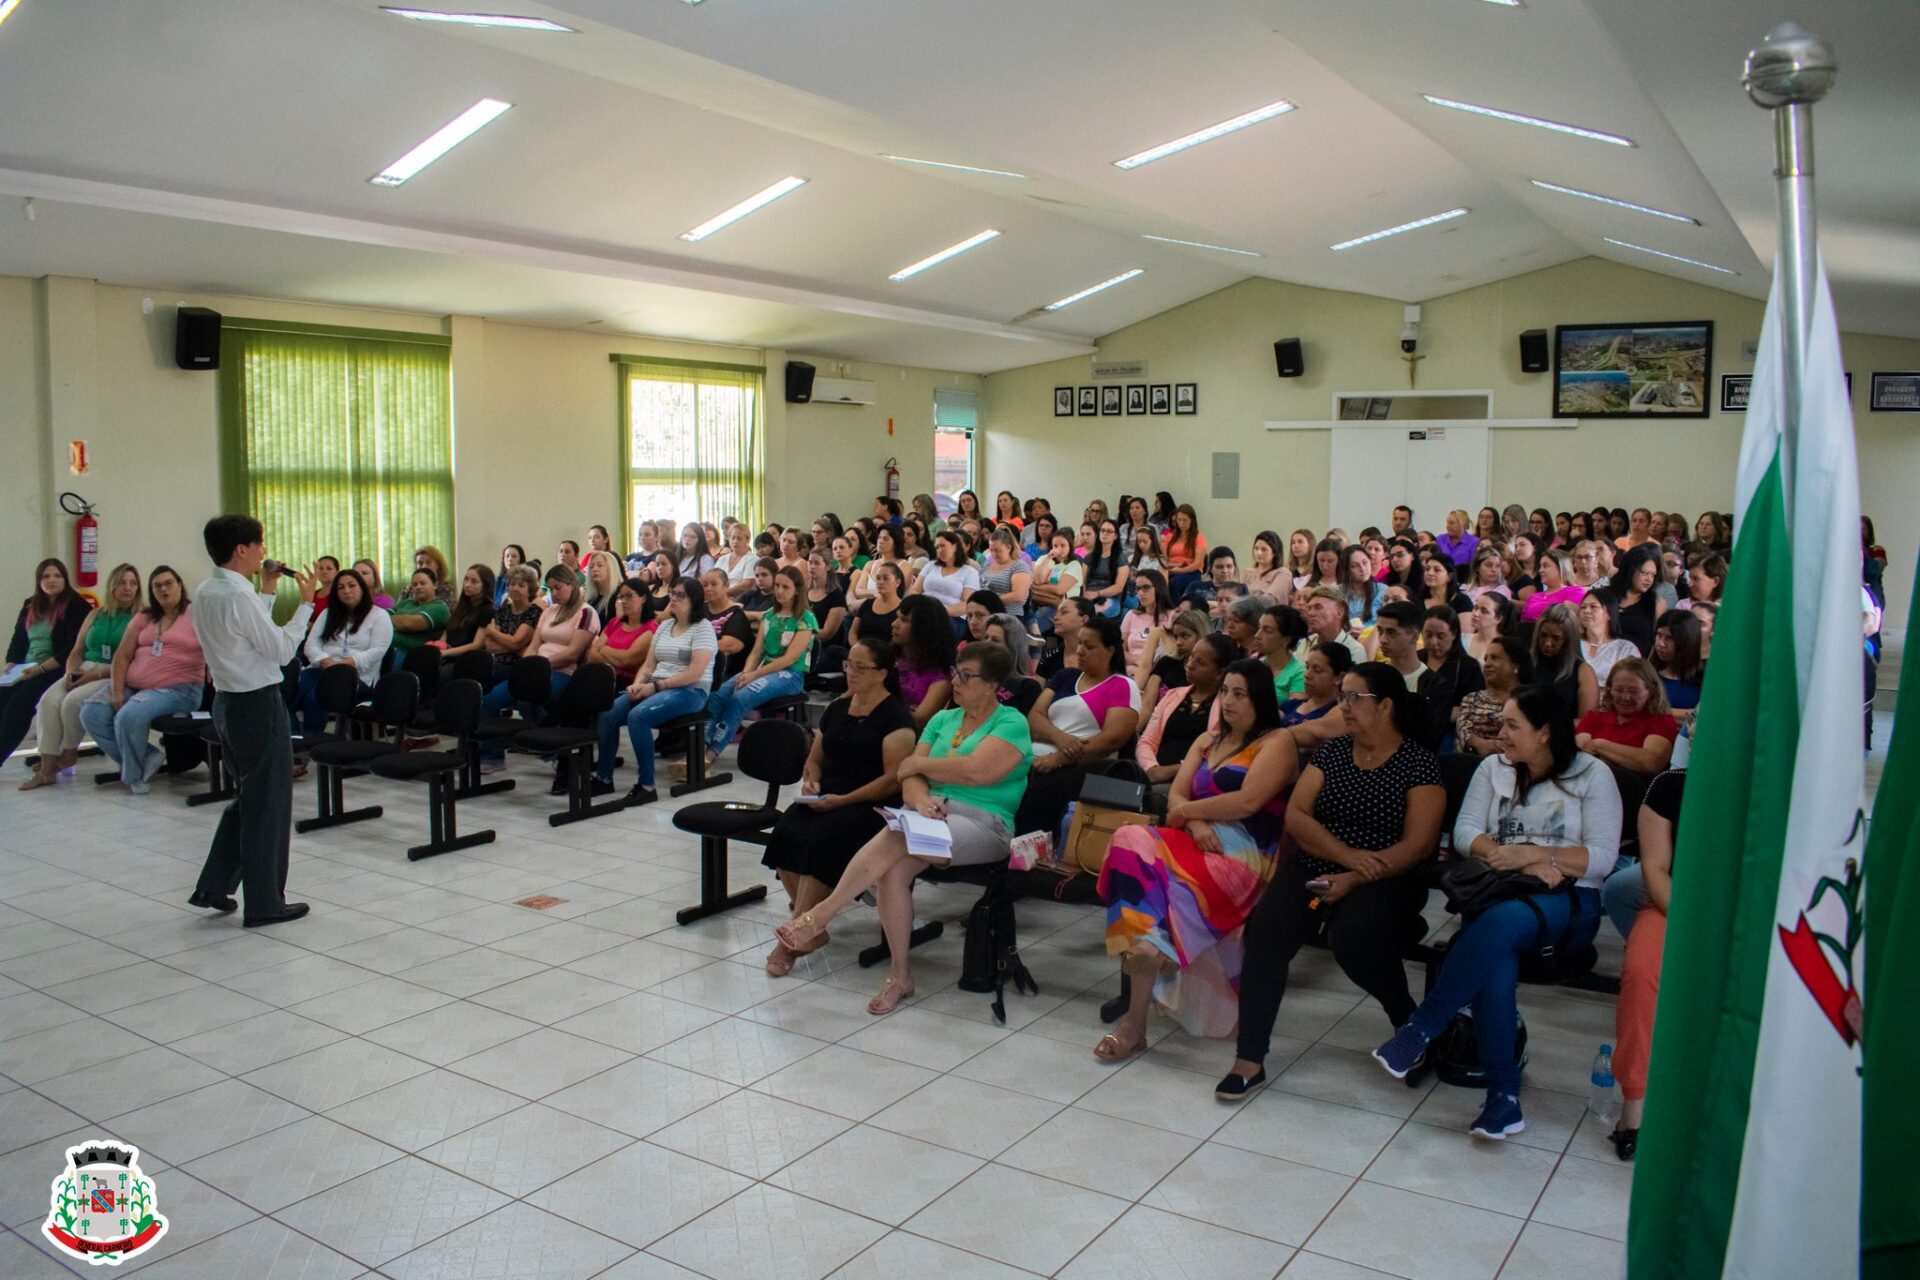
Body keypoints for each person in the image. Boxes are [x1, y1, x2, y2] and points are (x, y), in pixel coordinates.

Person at [1374, 684, 1619, 1140]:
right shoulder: (1493, 768)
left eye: (1512, 725)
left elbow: (1603, 857)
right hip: (1498, 889)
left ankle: (1424, 1027)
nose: (1499, 732)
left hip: (1570, 901)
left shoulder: (1592, 775)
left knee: (1498, 927)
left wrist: (1533, 857)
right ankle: (1503, 1101)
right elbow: (1466, 832)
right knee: (1496, 957)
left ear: (1545, 732)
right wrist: (1503, 853)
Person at [1220, 660, 1445, 1096]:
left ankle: (1410, 1024)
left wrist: (1356, 875)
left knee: (1353, 935)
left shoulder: (1419, 763)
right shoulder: (1333, 753)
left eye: (1353, 698)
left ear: (1384, 707)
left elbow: (1418, 844)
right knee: (1266, 930)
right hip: (1321, 865)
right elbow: (1297, 815)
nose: (1343, 707)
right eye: (1341, 697)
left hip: (1388, 876)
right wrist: (1346, 858)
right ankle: (1249, 1057)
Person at [775, 641, 1031, 1014]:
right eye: (954, 673)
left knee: (897, 834)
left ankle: (820, 915)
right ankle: (900, 975)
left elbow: (979, 770)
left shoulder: (1011, 722)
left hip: (985, 824)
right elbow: (906, 774)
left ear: (992, 684)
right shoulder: (943, 720)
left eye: (965, 676)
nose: (955, 682)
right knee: (893, 872)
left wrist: (920, 769)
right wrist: (920, 797)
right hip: (931, 815)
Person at [1093, 659, 1298, 1059]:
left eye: (1240, 693)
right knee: (1128, 836)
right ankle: (1149, 949)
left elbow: (1249, 801)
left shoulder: (1278, 742)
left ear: (1260, 698)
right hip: (1193, 841)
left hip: (1239, 855)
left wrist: (1194, 814)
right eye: (1225, 692)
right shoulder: (1207, 741)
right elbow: (1175, 796)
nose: (1229, 701)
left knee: (1148, 875)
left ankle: (1135, 1020)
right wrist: (1194, 820)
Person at [759, 635, 918, 974]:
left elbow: (892, 778)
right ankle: (806, 923)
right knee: (786, 832)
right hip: (828, 796)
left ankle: (796, 936)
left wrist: (843, 800)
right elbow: (816, 759)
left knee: (823, 841)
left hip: (869, 803)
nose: (852, 673)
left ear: (882, 673)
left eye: (861, 668)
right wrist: (811, 780)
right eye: (849, 665)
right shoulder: (837, 708)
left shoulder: (895, 717)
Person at [189, 516, 319, 926]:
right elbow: (280, 651)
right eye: (258, 544)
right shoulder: (237, 597)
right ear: (242, 549)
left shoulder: (209, 590)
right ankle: (265, 902)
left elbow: (247, 637)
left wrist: (265, 591)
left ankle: (215, 884)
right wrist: (306, 604)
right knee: (268, 805)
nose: (264, 551)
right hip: (257, 704)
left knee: (250, 797)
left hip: (228, 701)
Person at [1611, 767, 1685, 1161]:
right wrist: (1691, 930)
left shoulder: (1768, 786)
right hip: (1675, 904)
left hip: (1746, 917)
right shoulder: (1669, 785)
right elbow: (1655, 869)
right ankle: (1634, 1107)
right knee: (1641, 971)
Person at [78, 565, 205, 795]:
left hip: (178, 689)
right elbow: (122, 656)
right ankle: (147, 756)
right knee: (91, 713)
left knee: (129, 716)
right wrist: (117, 690)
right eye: (157, 586)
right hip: (134, 685)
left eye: (168, 583)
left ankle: (134, 777)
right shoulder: (144, 617)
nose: (163, 589)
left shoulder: (196, 615)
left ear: (179, 585)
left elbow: (216, 647)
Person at [1016, 615, 1142, 838]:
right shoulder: (1064, 677)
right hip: (1037, 754)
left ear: (1110, 651)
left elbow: (1110, 740)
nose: (1080, 650)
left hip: (1080, 766)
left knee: (1043, 786)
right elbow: (1034, 718)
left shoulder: (1122, 685)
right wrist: (1061, 739)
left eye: (1089, 646)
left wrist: (1058, 759)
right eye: (1080, 643)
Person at [591, 578, 713, 804]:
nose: (673, 599)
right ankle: (604, 778)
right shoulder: (665, 626)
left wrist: (655, 686)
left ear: (694, 601)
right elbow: (648, 665)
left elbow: (694, 674)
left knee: (638, 716)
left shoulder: (703, 629)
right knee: (608, 713)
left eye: (680, 596)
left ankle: (646, 785)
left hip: (690, 691)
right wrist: (638, 683)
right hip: (656, 686)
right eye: (673, 594)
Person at [22, 563, 140, 790]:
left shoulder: (140, 616)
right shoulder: (97, 613)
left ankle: (68, 753)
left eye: (133, 583)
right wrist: (71, 672)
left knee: (72, 701)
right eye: (122, 583)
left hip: (112, 671)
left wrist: (92, 675)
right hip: (84, 667)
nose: (128, 588)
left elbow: (134, 659)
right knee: (48, 701)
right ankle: (47, 766)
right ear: (112, 586)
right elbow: (77, 649)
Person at [479, 564, 600, 766]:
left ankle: (546, 742)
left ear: (572, 585)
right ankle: (493, 755)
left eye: (558, 587)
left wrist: (539, 666)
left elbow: (573, 653)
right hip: (537, 669)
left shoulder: (586, 612)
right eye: (551, 588)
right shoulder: (550, 611)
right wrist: (526, 667)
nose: (554, 593)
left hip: (564, 672)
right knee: (489, 700)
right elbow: (534, 645)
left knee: (529, 696)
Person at [701, 566, 815, 769]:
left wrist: (754, 674)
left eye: (785, 587)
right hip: (763, 670)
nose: (779, 591)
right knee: (718, 695)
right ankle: (701, 746)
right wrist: (745, 674)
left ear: (797, 590)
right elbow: (756, 652)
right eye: (777, 585)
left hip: (790, 675)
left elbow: (789, 659)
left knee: (740, 698)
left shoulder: (805, 619)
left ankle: (712, 752)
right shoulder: (769, 615)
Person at [1, 559, 88, 771]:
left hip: (55, 669)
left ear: (65, 579)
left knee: (19, 705)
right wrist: (10, 664)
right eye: (46, 576)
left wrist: (38, 669)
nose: (52, 580)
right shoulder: (30, 604)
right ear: (39, 581)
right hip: (26, 668)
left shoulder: (77, 606)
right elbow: (19, 639)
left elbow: (72, 648)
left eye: (57, 576)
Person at [297, 568, 392, 732]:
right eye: (341, 587)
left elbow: (378, 650)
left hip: (357, 676)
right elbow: (311, 645)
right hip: (324, 668)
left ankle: (312, 744)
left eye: (351, 585)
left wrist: (349, 663)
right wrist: (325, 661)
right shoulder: (328, 613)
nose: (346, 590)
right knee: (289, 693)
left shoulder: (379, 615)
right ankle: (295, 745)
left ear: (362, 588)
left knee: (315, 698)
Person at [1136, 632, 1230, 784]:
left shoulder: (1226, 706)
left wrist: (1172, 771)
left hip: (1194, 780)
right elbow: (1147, 740)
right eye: (1191, 657)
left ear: (1220, 673)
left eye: (1200, 662)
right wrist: (1152, 768)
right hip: (1153, 773)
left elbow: (1218, 754)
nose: (1190, 664)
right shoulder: (1172, 695)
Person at [1576, 658, 1679, 776]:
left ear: (1651, 691)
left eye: (1633, 691)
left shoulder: (1661, 721)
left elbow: (1651, 762)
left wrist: (1599, 745)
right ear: (1609, 690)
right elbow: (1579, 753)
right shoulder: (1594, 717)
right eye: (1618, 690)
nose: (1625, 697)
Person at [1454, 635, 1533, 759]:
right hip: (1473, 761)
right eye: (1486, 659)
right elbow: (1463, 731)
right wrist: (1483, 745)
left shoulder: (1530, 700)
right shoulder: (1472, 699)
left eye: (1494, 658)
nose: (1487, 664)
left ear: (1515, 665)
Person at [892, 595, 956, 730]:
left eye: (904, 620)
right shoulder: (889, 657)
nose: (894, 624)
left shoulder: (941, 677)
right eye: (897, 617)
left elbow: (919, 720)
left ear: (923, 628)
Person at [473, 564, 542, 685]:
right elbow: (489, 645)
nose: (515, 588)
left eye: (521, 585)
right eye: (512, 584)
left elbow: (516, 642)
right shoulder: (503, 610)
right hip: (495, 662)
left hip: (516, 666)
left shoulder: (534, 612)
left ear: (530, 590)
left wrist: (493, 632)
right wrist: (516, 647)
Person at [1532, 602, 1599, 720]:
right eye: (1543, 635)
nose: (1547, 643)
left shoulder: (1583, 672)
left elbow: (1586, 722)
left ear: (1569, 640)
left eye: (1556, 638)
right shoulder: (1527, 662)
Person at [1418, 604, 1485, 720]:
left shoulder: (1468, 666)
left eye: (1441, 636)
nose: (1433, 642)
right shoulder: (1416, 658)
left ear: (1454, 634)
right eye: (1428, 635)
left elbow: (1472, 707)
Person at [589, 578, 656, 687]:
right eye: (621, 597)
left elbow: (627, 659)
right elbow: (592, 654)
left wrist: (604, 649)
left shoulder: (651, 628)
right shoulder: (614, 622)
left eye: (629, 596)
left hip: (627, 685)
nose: (624, 601)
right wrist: (612, 667)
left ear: (643, 598)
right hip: (602, 677)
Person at [1138, 608, 1208, 710]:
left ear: (1201, 635)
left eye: (1185, 636)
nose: (1178, 642)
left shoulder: (1209, 673)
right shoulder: (1165, 663)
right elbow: (1147, 706)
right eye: (1176, 637)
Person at [914, 531, 980, 626]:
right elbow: (915, 589)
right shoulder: (930, 565)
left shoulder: (970, 572)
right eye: (937, 547)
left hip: (952, 617)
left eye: (943, 545)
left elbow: (967, 603)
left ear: (955, 547)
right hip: (923, 610)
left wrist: (940, 612)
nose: (939, 550)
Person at [1577, 590, 1639, 687]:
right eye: (1583, 607)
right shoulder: (1572, 643)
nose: (1586, 611)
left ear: (1609, 613)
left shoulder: (1625, 648)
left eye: (1593, 607)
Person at [1028, 530, 1084, 633]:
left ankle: (1031, 640)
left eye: (1063, 546)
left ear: (1070, 546)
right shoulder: (1044, 559)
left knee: (1033, 626)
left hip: (1062, 607)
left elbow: (1059, 590)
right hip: (1038, 601)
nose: (1059, 549)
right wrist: (1049, 558)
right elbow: (1037, 580)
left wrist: (1037, 588)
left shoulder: (1074, 564)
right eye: (1055, 546)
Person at [1611, 544, 1663, 655]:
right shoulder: (1607, 595)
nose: (1649, 579)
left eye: (1653, 575)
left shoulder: (1656, 602)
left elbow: (1658, 642)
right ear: (1630, 570)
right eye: (1644, 573)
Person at [388, 568, 450, 659]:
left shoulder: (440, 608)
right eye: (414, 584)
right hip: (385, 646)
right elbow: (380, 616)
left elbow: (408, 624)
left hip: (409, 655)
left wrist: (387, 620)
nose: (418, 587)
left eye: (423, 583)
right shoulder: (406, 602)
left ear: (435, 585)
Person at [1121, 569, 1174, 670]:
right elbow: (1120, 650)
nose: (1140, 593)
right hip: (1131, 668)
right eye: (1138, 588)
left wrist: (1147, 664)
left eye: (1146, 587)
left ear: (1159, 588)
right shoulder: (1131, 615)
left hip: (1158, 670)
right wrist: (1137, 660)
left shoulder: (1172, 616)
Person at [1256, 604, 1310, 701]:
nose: (1257, 635)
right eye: (1258, 628)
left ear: (1286, 640)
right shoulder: (1255, 665)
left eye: (1267, 630)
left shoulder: (1300, 673)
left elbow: (1293, 712)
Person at [978, 526, 1033, 621]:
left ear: (1008, 547)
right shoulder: (987, 565)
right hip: (985, 612)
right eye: (991, 550)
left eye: (998, 550)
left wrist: (990, 601)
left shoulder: (1019, 566)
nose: (994, 554)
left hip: (1009, 614)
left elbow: (1019, 595)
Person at [1299, 587, 1367, 663]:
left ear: (1339, 612)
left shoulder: (1354, 650)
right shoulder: (1305, 643)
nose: (1311, 613)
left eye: (1318, 607)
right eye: (1309, 608)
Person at [440, 564, 496, 654]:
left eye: (474, 582)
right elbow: (447, 632)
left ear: (485, 586)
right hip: (447, 653)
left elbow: (477, 644)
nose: (467, 585)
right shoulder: (461, 607)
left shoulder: (488, 610)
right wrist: (438, 647)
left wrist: (445, 653)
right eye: (466, 579)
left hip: (466, 658)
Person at [1080, 520, 1131, 619]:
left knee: (1094, 613)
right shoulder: (1089, 557)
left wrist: (1097, 593)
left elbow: (1118, 587)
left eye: (1109, 531)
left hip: (1110, 598)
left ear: (1115, 536)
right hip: (1088, 595)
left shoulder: (1121, 558)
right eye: (1102, 530)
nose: (1104, 533)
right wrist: (1084, 595)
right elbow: (1082, 582)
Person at [1522, 547, 1584, 621]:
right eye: (1540, 566)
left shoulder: (1575, 592)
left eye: (1545, 566)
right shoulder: (1532, 597)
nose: (1540, 570)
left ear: (1561, 568)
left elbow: (1566, 620)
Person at [804, 549, 849, 650]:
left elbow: (826, 634)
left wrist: (799, 636)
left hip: (826, 649)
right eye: (810, 562)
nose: (812, 566)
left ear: (828, 566)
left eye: (817, 563)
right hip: (803, 644)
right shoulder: (804, 591)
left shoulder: (836, 596)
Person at [1038, 595, 1088, 681]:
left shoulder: (1099, 658)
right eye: (1057, 613)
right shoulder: (1049, 655)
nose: (1055, 617)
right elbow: (1038, 691)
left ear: (1083, 620)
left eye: (1064, 612)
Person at [1162, 504, 1207, 597]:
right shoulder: (1170, 536)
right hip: (1171, 569)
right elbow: (1164, 558)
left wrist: (1181, 570)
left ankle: (1178, 609)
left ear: (1192, 520)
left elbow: (1198, 563)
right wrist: (1174, 567)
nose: (1182, 523)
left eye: (1185, 520)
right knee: (1158, 585)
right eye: (1179, 520)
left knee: (1172, 584)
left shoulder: (1199, 537)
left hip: (1192, 572)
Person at [1239, 531, 1291, 602]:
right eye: (1256, 548)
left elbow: (1271, 600)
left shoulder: (1283, 573)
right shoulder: (1246, 573)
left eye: (1264, 550)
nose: (1259, 553)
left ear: (1274, 553)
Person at [580, 550, 624, 622]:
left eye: (599, 565)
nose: (594, 569)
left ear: (611, 568)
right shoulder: (589, 599)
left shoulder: (621, 596)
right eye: (591, 566)